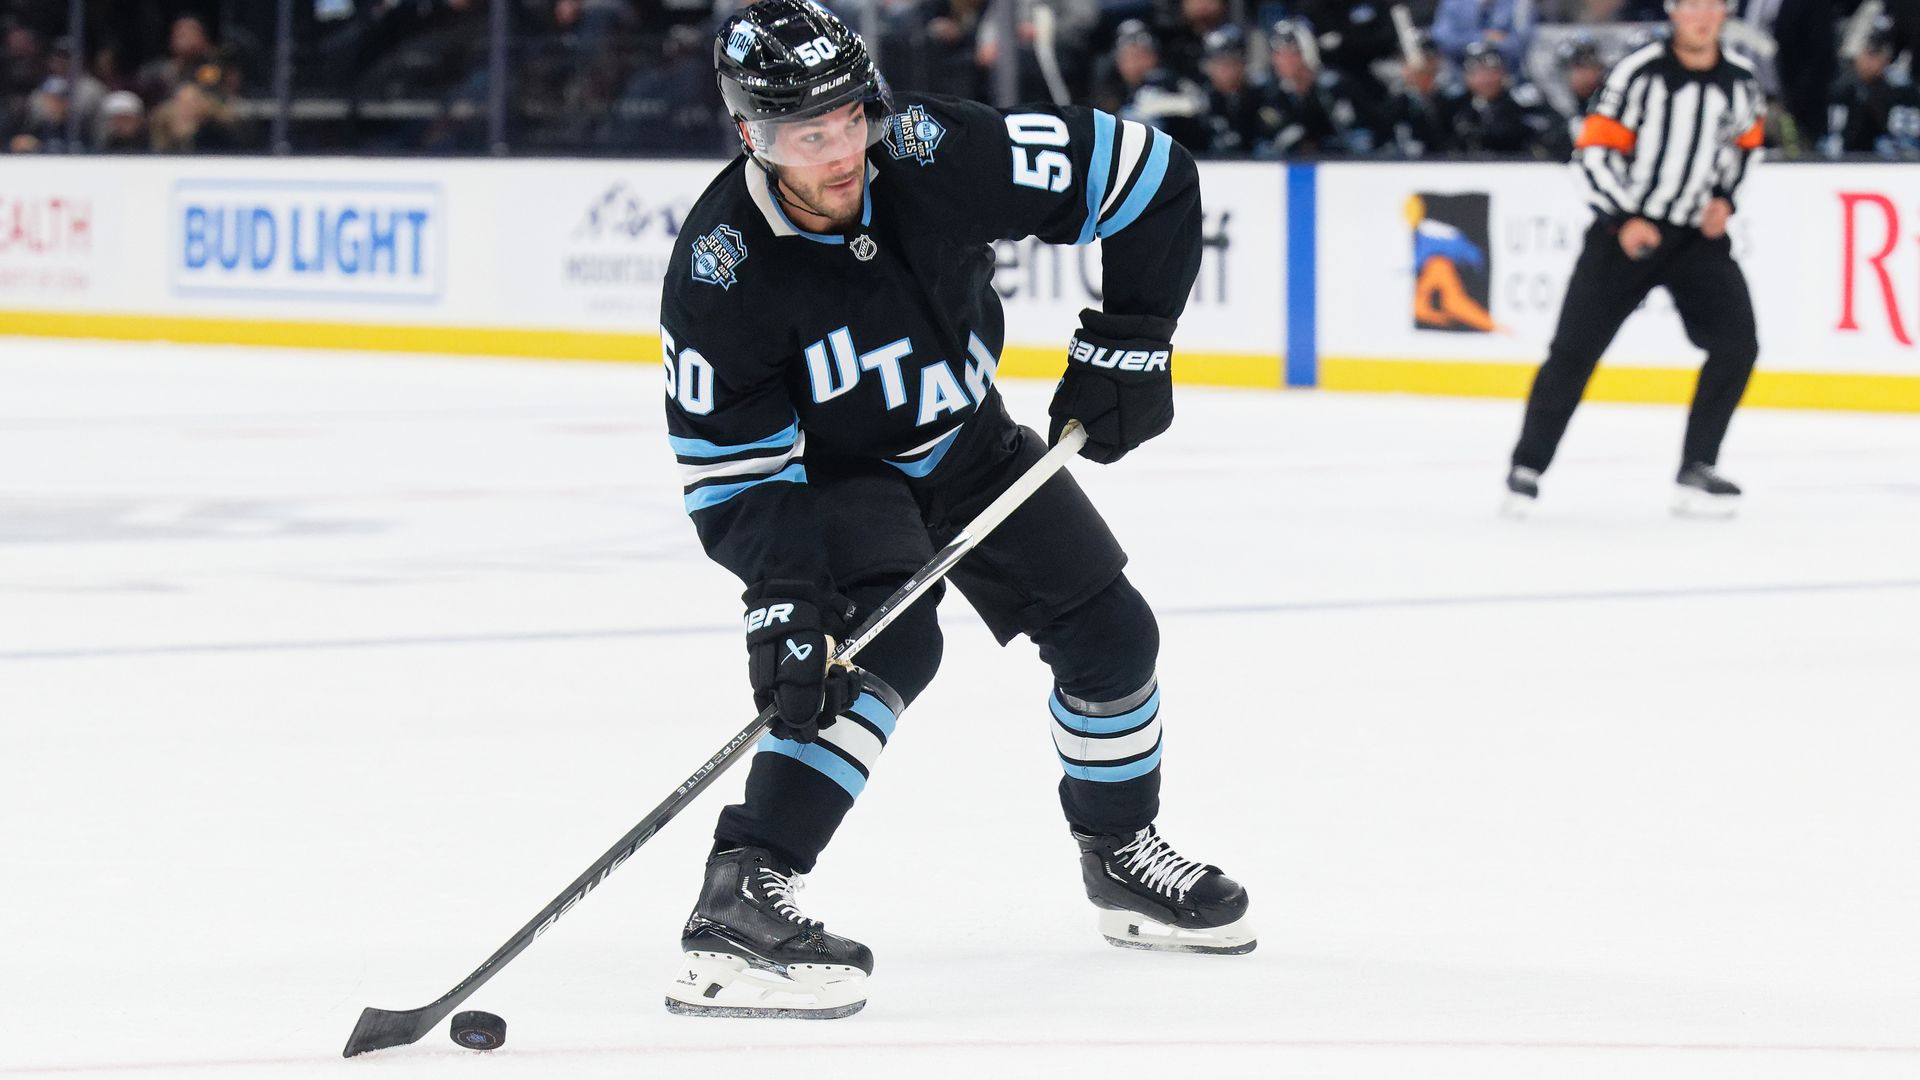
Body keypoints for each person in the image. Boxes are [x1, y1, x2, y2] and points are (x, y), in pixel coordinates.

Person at [658, 0, 1254, 1019]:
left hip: (972, 440)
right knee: (881, 650)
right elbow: (734, 474)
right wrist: (787, 600)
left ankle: (1119, 854)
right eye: (805, 134)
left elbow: (1150, 174)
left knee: (1112, 635)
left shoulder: (935, 150)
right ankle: (744, 888)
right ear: (750, 135)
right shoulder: (722, 272)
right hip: (840, 474)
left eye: (850, 117)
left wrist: (1132, 341)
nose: (840, 153)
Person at [1506, 0, 1764, 517]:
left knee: (1737, 344)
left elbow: (1745, 146)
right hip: (1623, 236)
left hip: (1694, 238)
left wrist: (1725, 200)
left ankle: (1698, 465)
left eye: (1712, 5)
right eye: (1691, 5)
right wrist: (1624, 217)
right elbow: (1592, 153)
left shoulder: (1739, 79)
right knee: (1574, 350)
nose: (1702, 16)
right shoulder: (1638, 73)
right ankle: (1527, 466)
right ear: (1674, 12)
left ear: (1724, 13)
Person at [1437, 42, 1570, 159]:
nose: (1485, 79)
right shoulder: (1453, 107)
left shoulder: (1524, 103)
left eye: (1491, 72)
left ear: (1504, 72)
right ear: (1466, 77)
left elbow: (1553, 127)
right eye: (1477, 73)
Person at [1826, 16, 1920, 159]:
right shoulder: (1844, 90)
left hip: (1896, 161)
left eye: (1875, 54)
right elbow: (1834, 138)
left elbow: (1907, 142)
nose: (1868, 61)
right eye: (1867, 53)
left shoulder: (1903, 92)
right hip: (1848, 161)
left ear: (1886, 59)